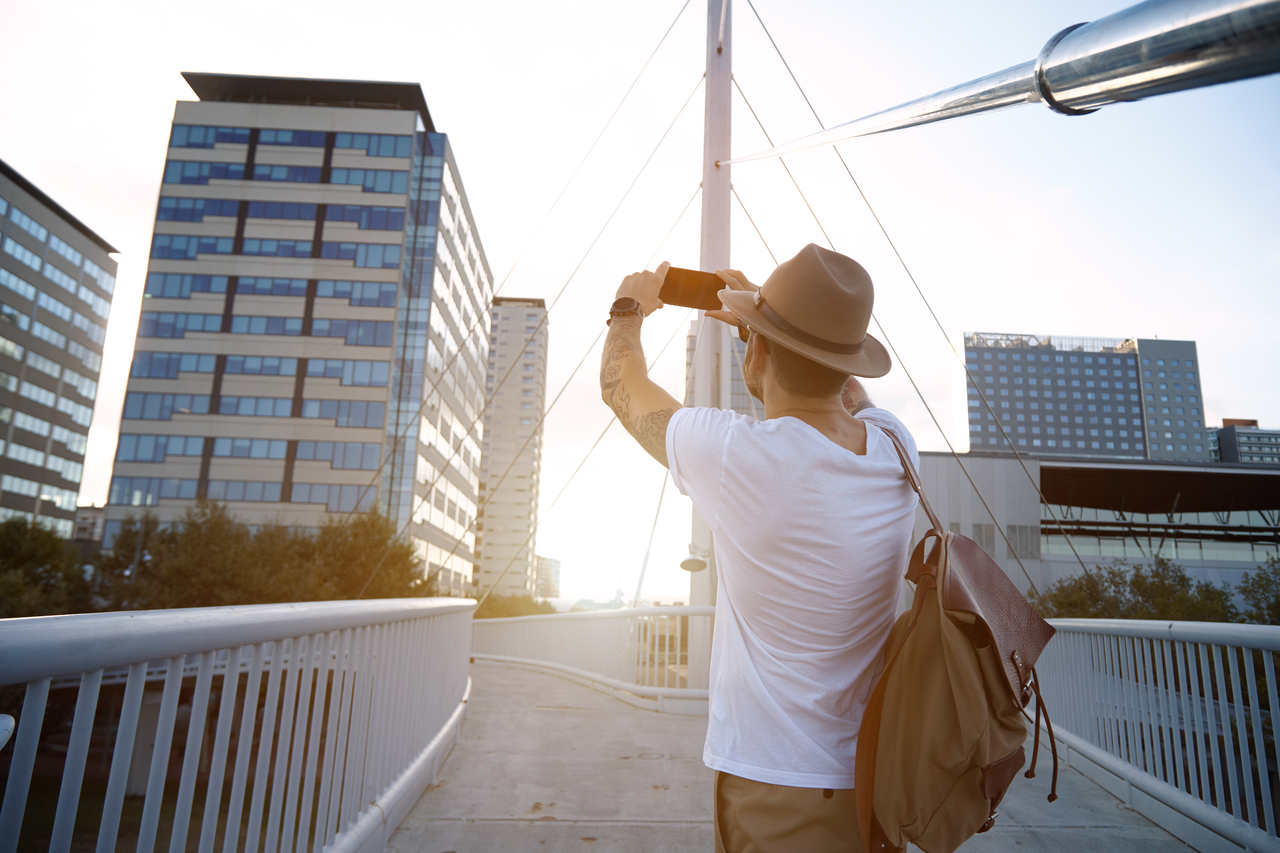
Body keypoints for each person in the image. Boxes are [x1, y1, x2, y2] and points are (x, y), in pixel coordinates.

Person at [599, 243, 919, 852]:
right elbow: (846, 398)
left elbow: (622, 388)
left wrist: (628, 308)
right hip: (876, 778)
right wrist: (767, 330)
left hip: (778, 791)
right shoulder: (895, 447)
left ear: (761, 351)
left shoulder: (737, 457)